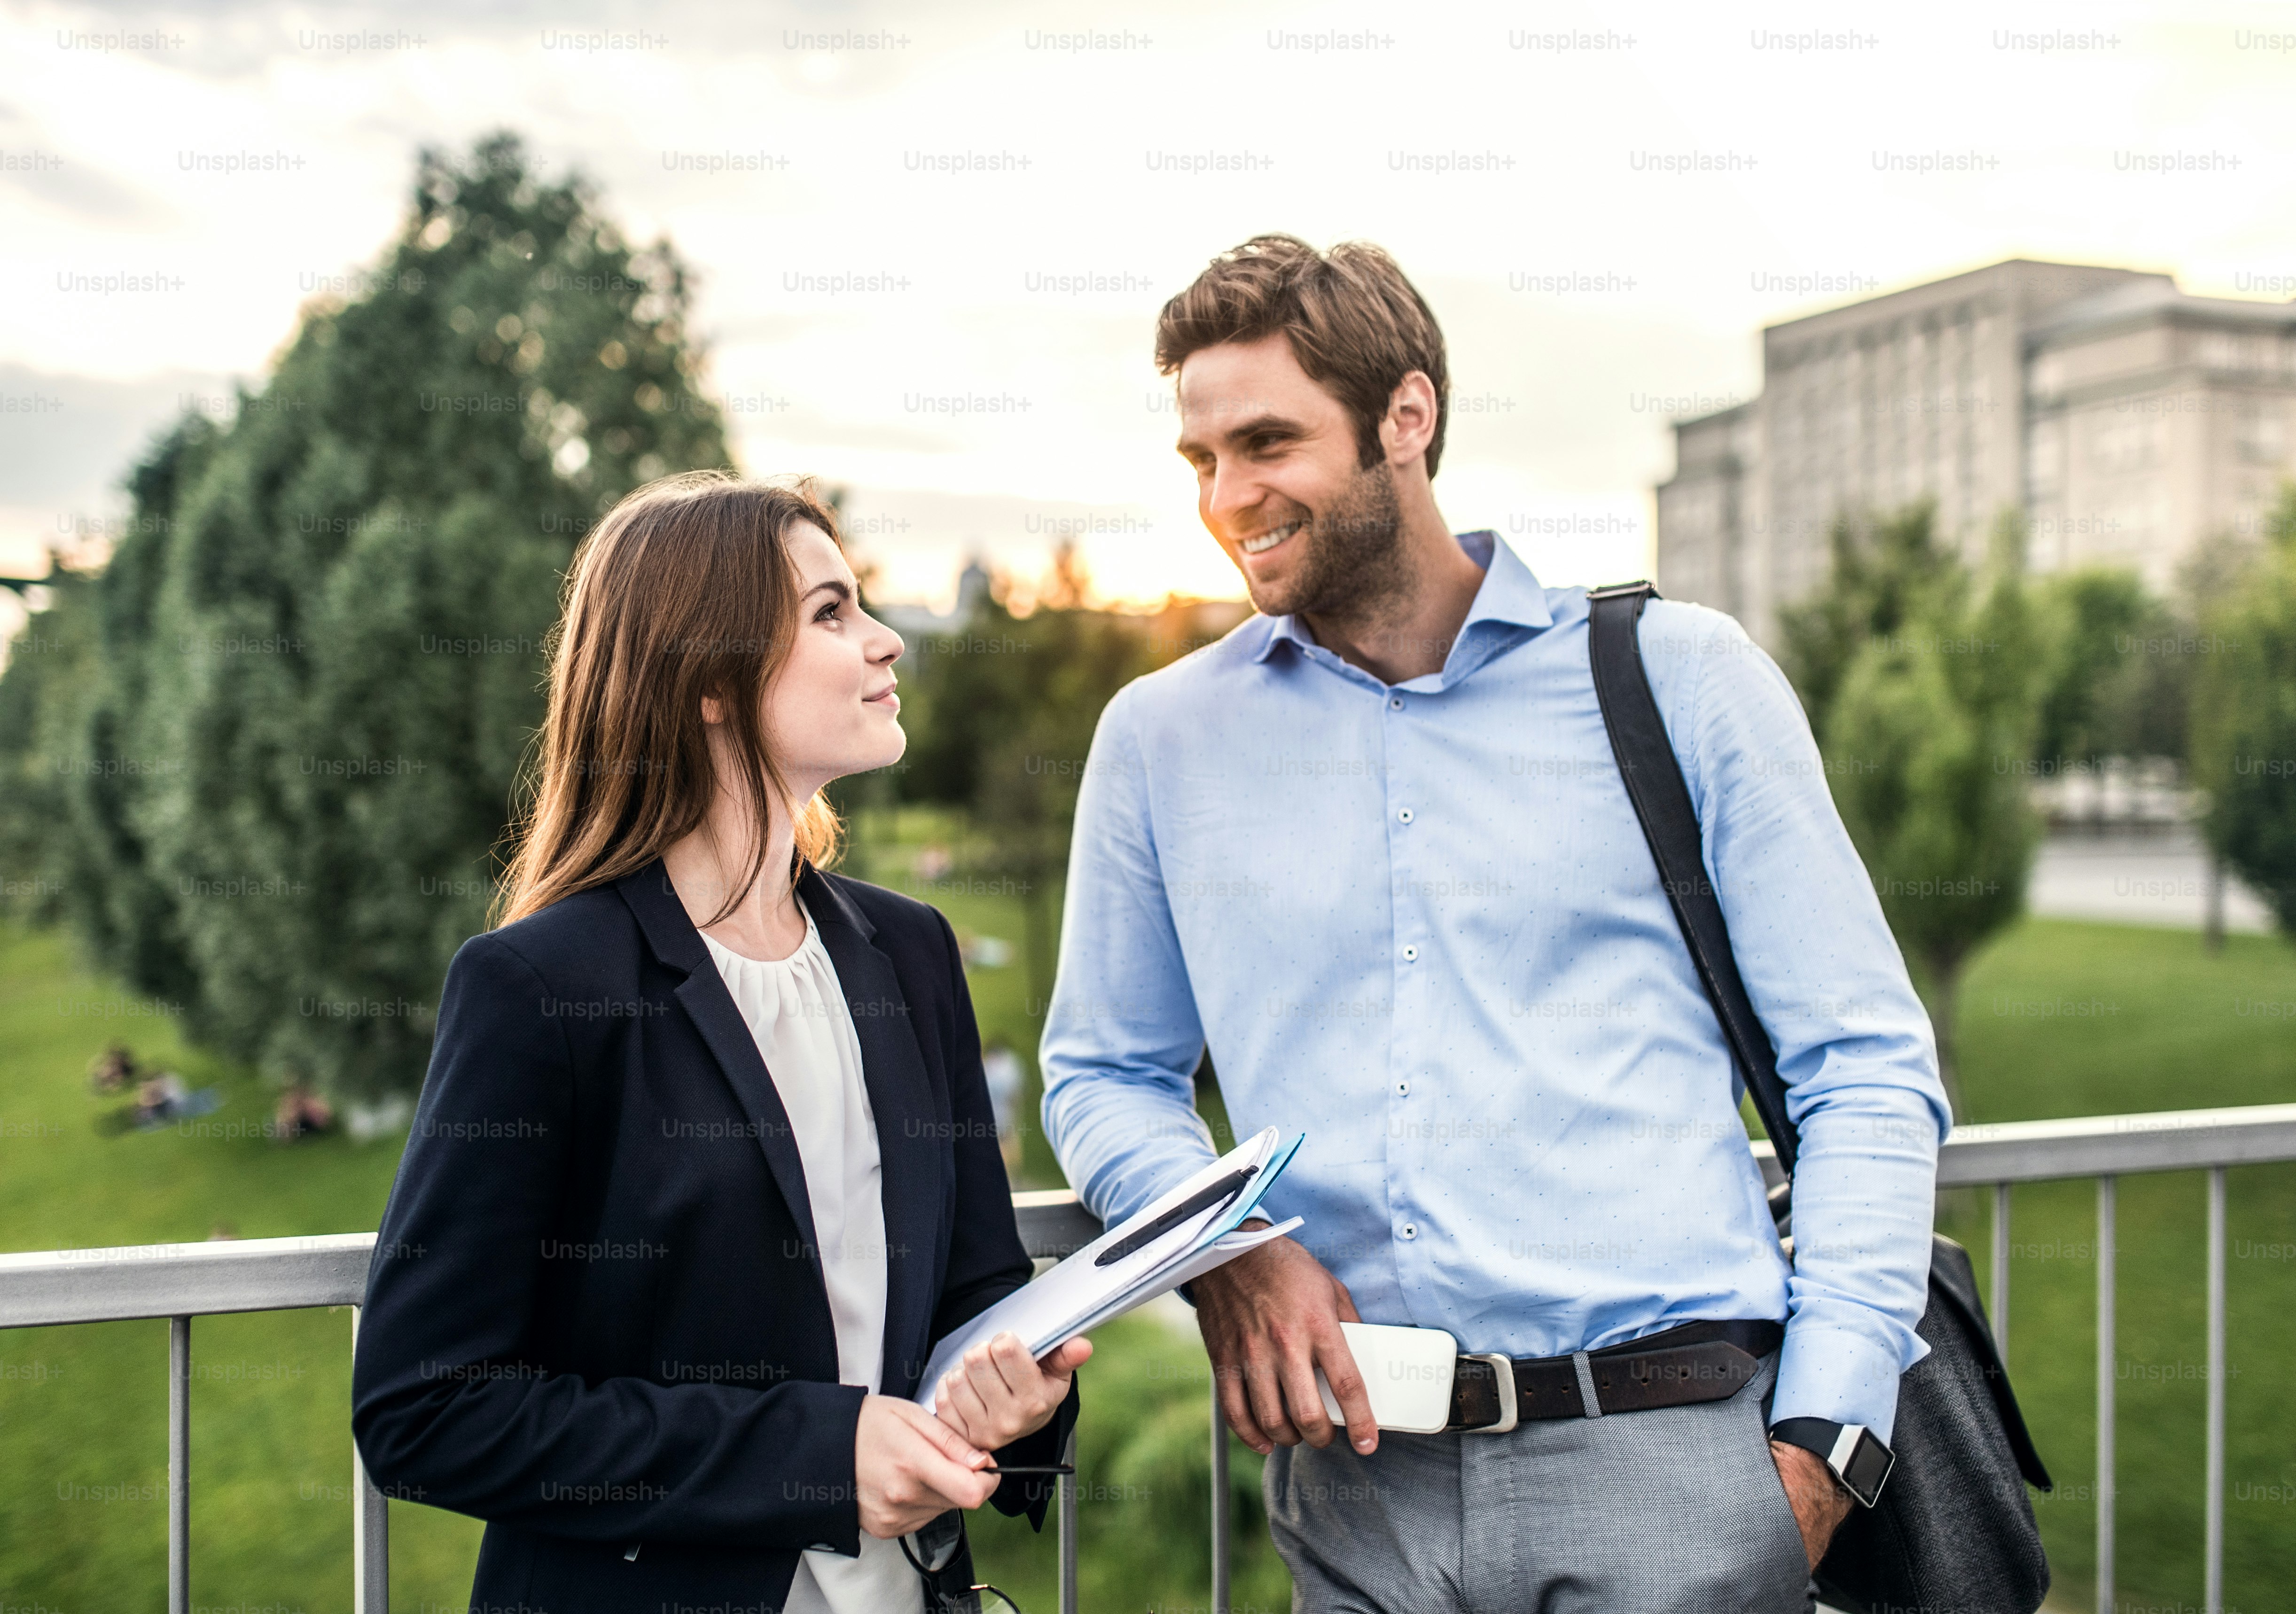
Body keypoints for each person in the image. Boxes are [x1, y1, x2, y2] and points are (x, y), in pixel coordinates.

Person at [1041, 237, 1948, 1613]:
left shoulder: (1679, 679)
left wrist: (1826, 1437)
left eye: (1267, 441)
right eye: (1200, 458)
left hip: (1672, 1462)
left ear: (1404, 418)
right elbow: (1104, 1070)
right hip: (1356, 1486)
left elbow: (1863, 1070)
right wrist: (1222, 1248)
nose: (1228, 498)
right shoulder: (1160, 739)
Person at [353, 474, 1086, 1614]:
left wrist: (1016, 1396)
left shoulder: (912, 953)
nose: (887, 640)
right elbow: (426, 1407)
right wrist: (811, 1454)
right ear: (706, 682)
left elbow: (979, 1292)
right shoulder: (538, 987)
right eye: (831, 612)